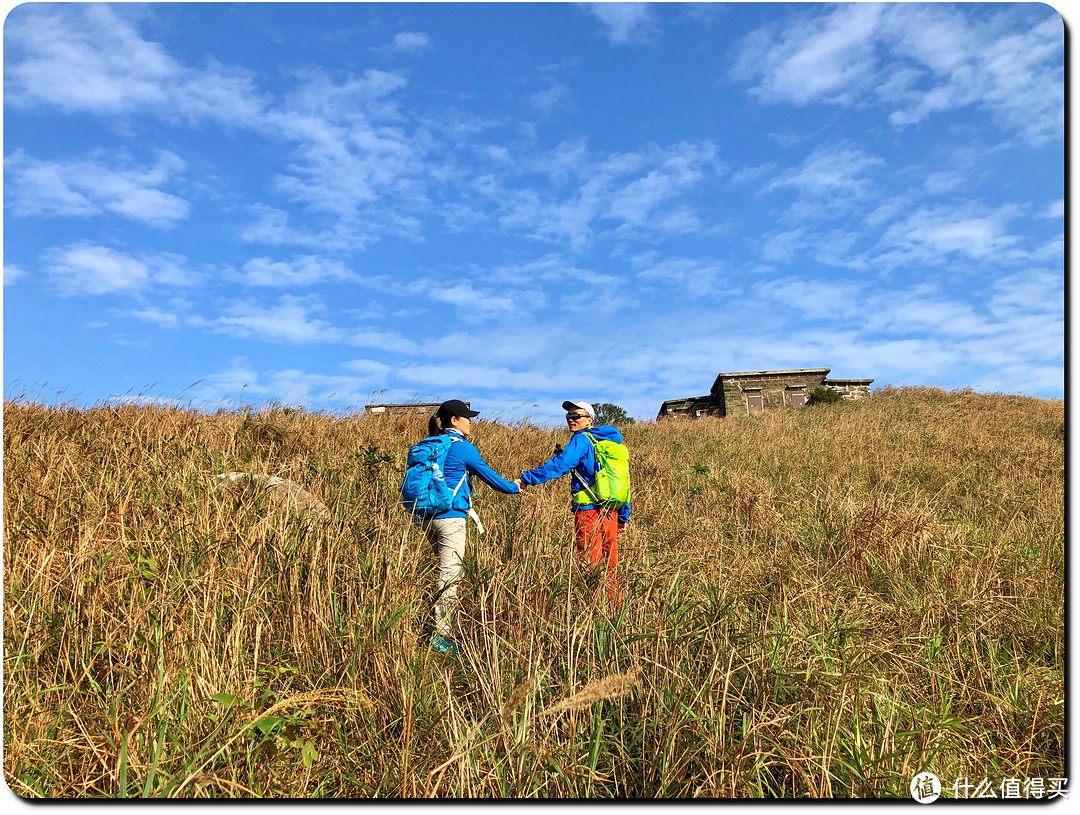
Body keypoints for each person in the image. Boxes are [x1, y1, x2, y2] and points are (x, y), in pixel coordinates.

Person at [422, 399, 519, 655]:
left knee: (439, 571)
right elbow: (492, 478)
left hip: (426, 517)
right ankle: (442, 637)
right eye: (467, 417)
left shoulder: (431, 445)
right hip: (451, 518)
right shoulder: (463, 448)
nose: (471, 421)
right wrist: (515, 487)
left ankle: (436, 627)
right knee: (450, 576)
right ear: (454, 420)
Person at [514, 400, 629, 607]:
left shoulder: (581, 440)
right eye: (569, 416)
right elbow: (622, 481)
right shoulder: (611, 443)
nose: (571, 419)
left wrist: (526, 478)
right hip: (611, 512)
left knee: (589, 564)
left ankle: (590, 610)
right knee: (611, 565)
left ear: (589, 420)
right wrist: (623, 516)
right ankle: (615, 608)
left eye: (577, 416)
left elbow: (562, 464)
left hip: (588, 512)